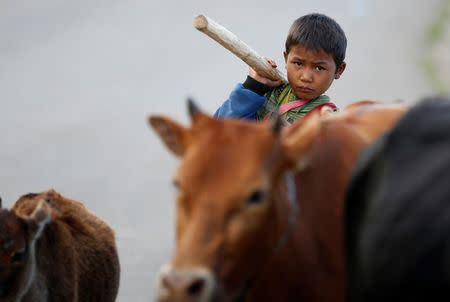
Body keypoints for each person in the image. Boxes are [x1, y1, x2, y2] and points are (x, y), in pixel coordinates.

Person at [214, 13, 347, 124]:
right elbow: (220, 127)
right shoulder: (266, 94)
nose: (306, 77)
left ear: (339, 70)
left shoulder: (330, 120)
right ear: (286, 59)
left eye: (319, 67)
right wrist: (253, 87)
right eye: (298, 63)